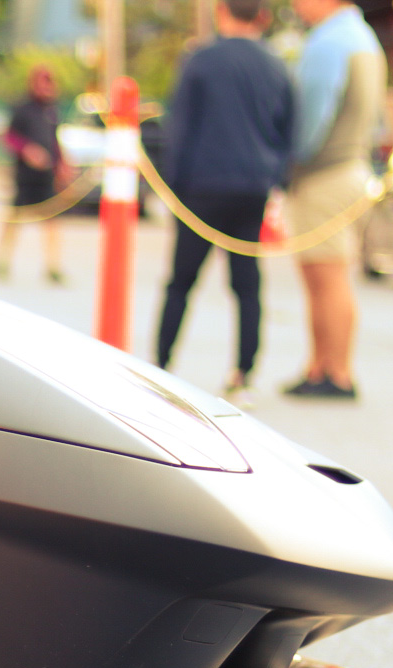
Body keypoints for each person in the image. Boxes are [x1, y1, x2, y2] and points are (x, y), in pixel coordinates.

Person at [154, 0, 297, 406]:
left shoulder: (199, 61)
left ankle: (162, 365)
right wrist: (276, 181)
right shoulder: (277, 66)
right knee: (247, 284)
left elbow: (178, 128)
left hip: (201, 188)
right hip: (252, 188)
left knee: (181, 281)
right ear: (264, 18)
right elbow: (289, 130)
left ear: (221, 12)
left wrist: (171, 188)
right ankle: (243, 374)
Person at [282, 0, 385, 399]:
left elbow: (313, 115)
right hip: (352, 165)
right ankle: (320, 366)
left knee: (327, 275)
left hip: (325, 171)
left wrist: (292, 158)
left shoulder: (329, 41)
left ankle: (336, 371)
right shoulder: (361, 37)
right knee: (324, 275)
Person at [0, 65, 72, 284]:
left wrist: (63, 164)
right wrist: (27, 150)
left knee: (51, 221)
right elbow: (8, 136)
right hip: (25, 175)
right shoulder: (22, 108)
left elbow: (54, 140)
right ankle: (3, 260)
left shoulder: (52, 110)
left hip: (46, 176)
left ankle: (53, 266)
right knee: (15, 219)